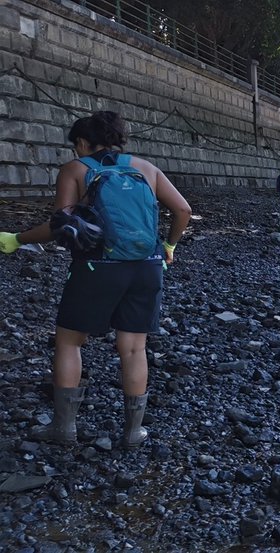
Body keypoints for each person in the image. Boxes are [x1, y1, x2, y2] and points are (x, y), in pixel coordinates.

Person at [0, 111, 192, 447]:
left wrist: (18, 239)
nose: (76, 152)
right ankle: (133, 432)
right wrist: (169, 246)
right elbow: (183, 210)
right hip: (147, 266)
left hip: (97, 268)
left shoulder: (75, 170)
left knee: (69, 341)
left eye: (76, 145)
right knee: (134, 348)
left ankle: (64, 429)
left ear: (83, 142)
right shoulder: (146, 168)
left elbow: (62, 225)